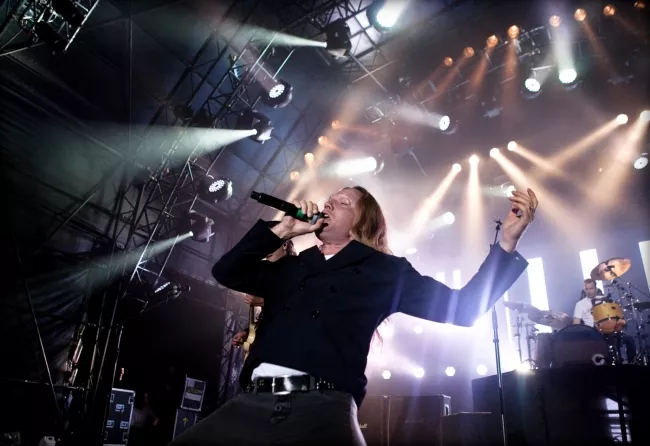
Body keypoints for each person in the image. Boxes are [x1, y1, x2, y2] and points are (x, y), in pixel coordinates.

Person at [170, 186, 537, 446]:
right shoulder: (293, 267)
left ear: (363, 222)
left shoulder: (384, 272)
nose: (329, 203)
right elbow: (226, 272)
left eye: (343, 202)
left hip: (322, 406)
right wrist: (282, 230)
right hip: (253, 402)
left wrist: (507, 243)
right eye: (329, 199)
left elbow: (465, 308)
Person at [231, 236, 297, 349]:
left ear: (285, 245)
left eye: (270, 247)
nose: (266, 252)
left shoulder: (297, 271)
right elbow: (271, 317)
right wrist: (248, 333)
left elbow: (301, 305)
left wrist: (265, 302)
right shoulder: (271, 274)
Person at [573, 278, 637, 362]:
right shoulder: (580, 304)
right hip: (592, 332)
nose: (589, 291)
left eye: (591, 288)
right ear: (584, 289)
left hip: (609, 329)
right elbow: (576, 323)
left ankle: (631, 363)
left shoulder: (605, 300)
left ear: (595, 288)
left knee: (629, 339)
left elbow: (615, 315)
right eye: (586, 289)